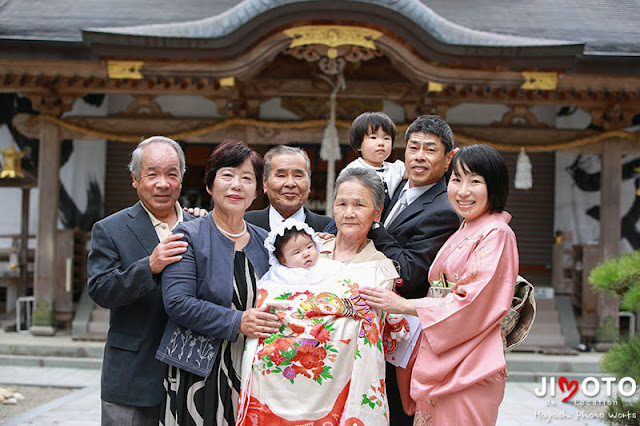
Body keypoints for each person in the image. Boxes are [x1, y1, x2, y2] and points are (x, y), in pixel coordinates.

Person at [360, 144, 519, 425]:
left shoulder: (497, 233)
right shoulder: (468, 227)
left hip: (469, 363)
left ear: (494, 188)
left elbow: (472, 302)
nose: (463, 191)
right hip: (443, 353)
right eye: (456, 180)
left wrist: (405, 305)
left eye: (475, 182)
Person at [155, 140, 281, 426]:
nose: (237, 185)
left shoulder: (267, 242)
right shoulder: (188, 235)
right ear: (210, 185)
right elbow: (177, 302)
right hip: (198, 372)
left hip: (253, 368)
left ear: (257, 191)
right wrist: (238, 322)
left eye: (247, 178)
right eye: (227, 175)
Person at [237, 216, 400, 425]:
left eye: (309, 246)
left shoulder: (329, 267)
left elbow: (349, 289)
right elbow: (272, 303)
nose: (306, 254)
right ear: (283, 260)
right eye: (296, 252)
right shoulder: (276, 277)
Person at [87, 136, 195, 425]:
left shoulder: (200, 226)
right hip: (132, 372)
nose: (163, 183)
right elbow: (100, 290)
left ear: (181, 179)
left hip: (193, 371)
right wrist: (149, 266)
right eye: (152, 174)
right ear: (135, 179)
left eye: (172, 174)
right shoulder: (110, 229)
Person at [367, 114, 461, 424]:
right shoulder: (395, 188)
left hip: (405, 340)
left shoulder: (444, 211)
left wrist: (375, 227)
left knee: (396, 413)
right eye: (413, 147)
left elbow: (408, 273)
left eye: (430, 150)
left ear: (448, 159)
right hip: (373, 330)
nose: (419, 156)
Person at [323, 111, 405, 234]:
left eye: (386, 138)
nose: (381, 142)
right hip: (354, 218)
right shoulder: (354, 170)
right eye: (373, 137)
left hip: (382, 224)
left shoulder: (396, 169)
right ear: (359, 145)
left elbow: (416, 175)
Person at [245, 145, 332, 232]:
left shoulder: (328, 228)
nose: (290, 183)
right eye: (281, 176)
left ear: (309, 182)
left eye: (298, 176)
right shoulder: (245, 224)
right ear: (265, 183)